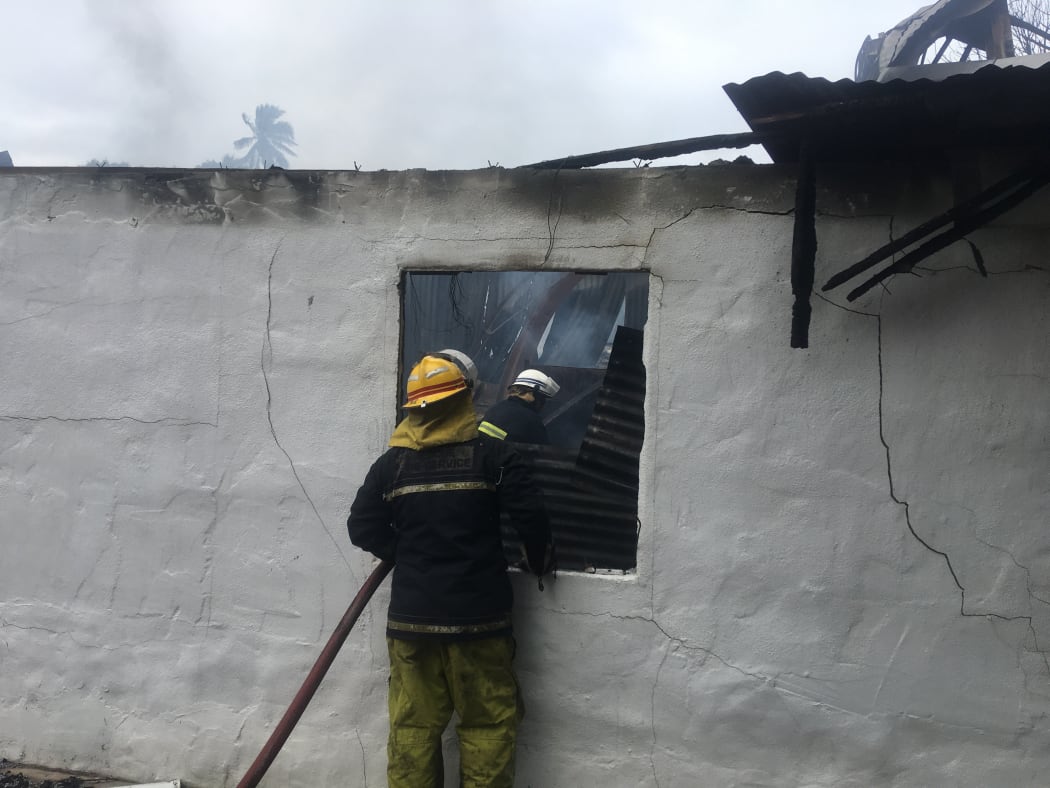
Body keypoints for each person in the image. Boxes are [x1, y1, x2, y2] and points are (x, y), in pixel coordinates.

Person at [346, 349, 553, 788]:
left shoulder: (392, 465)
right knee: (486, 728)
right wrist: (538, 561)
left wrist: (409, 553)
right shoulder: (495, 457)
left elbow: (361, 526)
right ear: (467, 398)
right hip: (480, 624)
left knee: (413, 730)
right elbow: (532, 519)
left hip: (411, 624)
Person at [478, 369, 560, 445]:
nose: (543, 404)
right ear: (533, 393)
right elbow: (542, 454)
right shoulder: (532, 421)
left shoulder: (496, 408)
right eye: (542, 398)